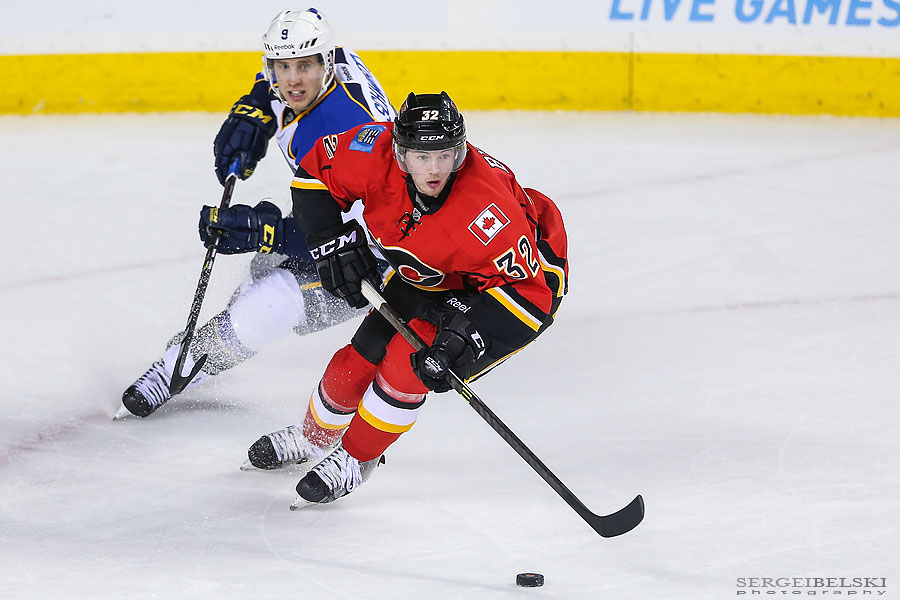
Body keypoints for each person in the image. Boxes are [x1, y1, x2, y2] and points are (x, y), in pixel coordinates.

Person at [212, 91, 569, 505]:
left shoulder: (487, 212)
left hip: (510, 291)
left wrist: (465, 336)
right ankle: (313, 439)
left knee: (408, 363)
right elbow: (314, 175)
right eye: (421, 156)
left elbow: (531, 295)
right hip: (429, 271)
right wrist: (331, 241)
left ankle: (355, 458)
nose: (434, 169)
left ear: (461, 151)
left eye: (445, 155)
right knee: (357, 359)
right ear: (399, 153)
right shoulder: (372, 150)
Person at [118, 8, 396, 472]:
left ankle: (190, 362)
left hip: (375, 266)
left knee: (273, 300)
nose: (292, 79)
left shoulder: (344, 134)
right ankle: (203, 354)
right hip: (342, 227)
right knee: (262, 280)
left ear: (324, 62)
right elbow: (285, 63)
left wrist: (264, 231)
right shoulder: (329, 63)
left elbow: (347, 239)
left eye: (303, 66)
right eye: (281, 67)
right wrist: (254, 108)